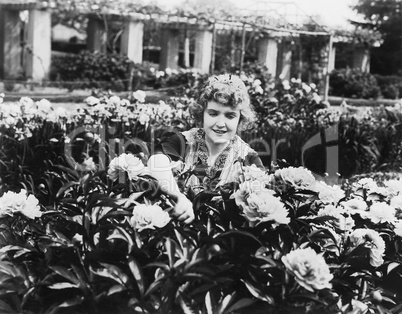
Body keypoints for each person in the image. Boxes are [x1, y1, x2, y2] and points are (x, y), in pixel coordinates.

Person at [148, 74, 264, 224]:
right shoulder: (184, 141)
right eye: (213, 113)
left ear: (240, 120)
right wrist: (177, 196)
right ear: (202, 113)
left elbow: (262, 191)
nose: (220, 123)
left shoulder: (248, 157)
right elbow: (156, 161)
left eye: (230, 116)